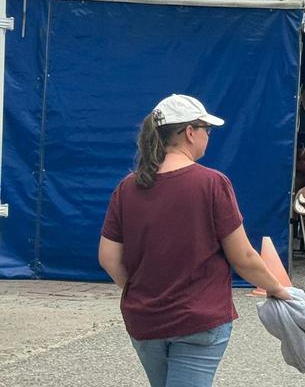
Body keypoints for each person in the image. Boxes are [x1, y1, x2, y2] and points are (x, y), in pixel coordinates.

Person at [98, 94, 292, 387]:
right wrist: (277, 288)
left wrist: (140, 290)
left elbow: (108, 257)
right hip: (198, 319)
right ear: (190, 132)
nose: (208, 136)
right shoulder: (212, 183)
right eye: (207, 129)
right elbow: (243, 257)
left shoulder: (127, 188)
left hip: (145, 320)